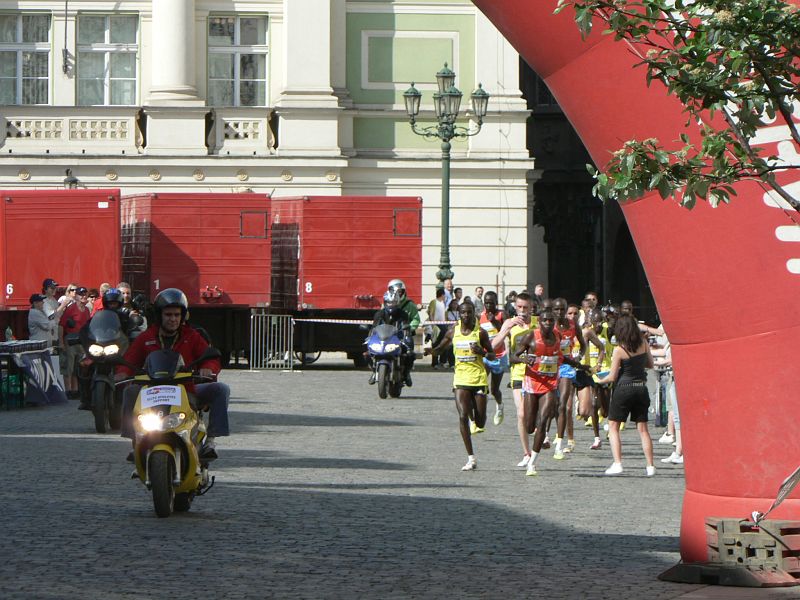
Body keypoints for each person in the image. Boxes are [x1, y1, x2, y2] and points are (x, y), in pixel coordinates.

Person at [117, 288, 230, 460]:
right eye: (168, 315)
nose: (173, 319)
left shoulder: (192, 336)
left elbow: (211, 358)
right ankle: (135, 441)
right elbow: (130, 359)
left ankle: (210, 441)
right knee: (130, 391)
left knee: (221, 389)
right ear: (159, 316)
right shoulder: (146, 337)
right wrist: (122, 372)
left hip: (186, 389)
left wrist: (209, 368)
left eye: (177, 315)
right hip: (152, 391)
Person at [515, 308, 589, 476]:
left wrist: (580, 366)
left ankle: (532, 463)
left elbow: (562, 358)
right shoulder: (530, 336)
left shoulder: (558, 337)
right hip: (532, 383)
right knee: (529, 426)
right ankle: (537, 437)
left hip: (549, 384)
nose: (548, 323)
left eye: (550, 320)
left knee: (543, 420)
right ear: (539, 322)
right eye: (544, 320)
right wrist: (523, 358)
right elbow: (514, 356)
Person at [425, 301, 495, 471]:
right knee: (463, 415)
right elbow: (441, 348)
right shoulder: (453, 332)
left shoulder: (481, 333)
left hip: (478, 379)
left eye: (469, 312)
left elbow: (493, 355)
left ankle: (475, 418)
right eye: (463, 312)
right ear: (459, 313)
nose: (466, 315)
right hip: (461, 379)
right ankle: (471, 458)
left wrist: (482, 352)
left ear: (473, 314)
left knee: (480, 422)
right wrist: (431, 351)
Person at [596, 314, 656, 476]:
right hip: (641, 388)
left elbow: (612, 377)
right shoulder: (643, 343)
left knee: (614, 427)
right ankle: (650, 466)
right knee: (643, 429)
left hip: (624, 388)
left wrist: (596, 380)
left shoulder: (619, 350)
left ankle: (618, 463)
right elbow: (650, 364)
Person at [494, 292, 535, 466]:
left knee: (535, 414)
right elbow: (494, 346)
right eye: (519, 307)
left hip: (537, 374)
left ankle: (543, 438)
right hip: (518, 373)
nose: (522, 311)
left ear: (532, 308)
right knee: (521, 414)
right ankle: (526, 453)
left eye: (526, 307)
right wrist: (506, 329)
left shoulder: (539, 324)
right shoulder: (509, 323)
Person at [552, 298, 587, 459]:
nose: (559, 313)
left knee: (565, 406)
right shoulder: (549, 326)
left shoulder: (573, 325)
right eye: (557, 310)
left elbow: (583, 343)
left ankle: (568, 440)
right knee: (553, 405)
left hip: (567, 366)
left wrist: (579, 357)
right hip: (551, 367)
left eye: (562, 310)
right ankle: (549, 433)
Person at [368, 290, 410, 385]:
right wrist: (369, 338)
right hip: (382, 339)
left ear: (397, 303)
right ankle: (374, 371)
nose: (391, 305)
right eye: (389, 302)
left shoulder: (403, 314)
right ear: (385, 302)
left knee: (409, 354)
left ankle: (406, 374)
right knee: (367, 353)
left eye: (393, 302)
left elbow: (406, 327)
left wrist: (406, 335)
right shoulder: (379, 314)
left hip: (397, 338)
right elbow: (374, 328)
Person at [479, 291, 507, 427]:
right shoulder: (480, 316)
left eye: (491, 302)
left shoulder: (501, 314)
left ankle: (500, 405)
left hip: (499, 356)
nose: (489, 305)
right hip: (485, 356)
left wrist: (494, 321)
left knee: (494, 389)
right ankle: (480, 412)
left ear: (496, 302)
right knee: (481, 384)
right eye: (486, 302)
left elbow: (505, 331)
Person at [59, 286, 91, 399]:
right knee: (69, 366)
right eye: (80, 294)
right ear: (76, 296)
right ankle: (68, 390)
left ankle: (76, 390)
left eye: (85, 294)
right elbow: (61, 325)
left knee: (78, 366)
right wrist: (61, 342)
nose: (83, 296)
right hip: (71, 340)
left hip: (81, 341)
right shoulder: (71, 309)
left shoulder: (87, 309)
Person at [387, 279, 419, 387]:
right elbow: (381, 317)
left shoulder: (410, 305)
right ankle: (377, 371)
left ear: (403, 292)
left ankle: (407, 373)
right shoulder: (386, 303)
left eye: (399, 292)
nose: (397, 294)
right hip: (389, 334)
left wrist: (410, 328)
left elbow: (415, 318)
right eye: (394, 291)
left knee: (409, 353)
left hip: (404, 333)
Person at [425, 288, 448, 369]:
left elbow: (444, 315)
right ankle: (434, 363)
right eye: (444, 294)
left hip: (443, 325)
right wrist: (433, 324)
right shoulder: (434, 302)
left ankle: (443, 361)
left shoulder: (443, 303)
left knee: (444, 343)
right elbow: (431, 313)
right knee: (435, 344)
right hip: (436, 325)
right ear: (442, 295)